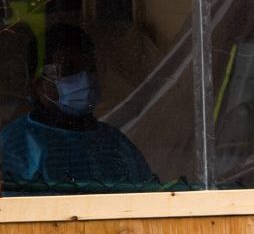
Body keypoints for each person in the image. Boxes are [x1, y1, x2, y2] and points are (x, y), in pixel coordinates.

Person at [0, 23, 157, 191]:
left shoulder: (115, 144)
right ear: (38, 84)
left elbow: (149, 198)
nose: (85, 79)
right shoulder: (16, 146)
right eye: (69, 70)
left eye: (91, 69)